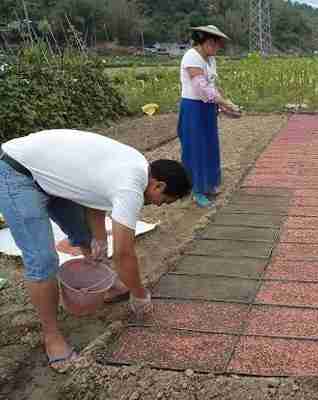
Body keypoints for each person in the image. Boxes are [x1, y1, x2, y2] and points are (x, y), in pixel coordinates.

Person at [0, 129, 191, 371]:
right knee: (43, 260)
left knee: (84, 235)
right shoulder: (131, 187)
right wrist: (139, 294)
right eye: (164, 200)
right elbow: (123, 254)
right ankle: (52, 336)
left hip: (47, 174)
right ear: (158, 184)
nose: (159, 205)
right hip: (17, 172)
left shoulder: (137, 166)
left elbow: (94, 194)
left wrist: (99, 238)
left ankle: (101, 281)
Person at [178, 25, 240, 208]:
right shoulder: (191, 57)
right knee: (195, 149)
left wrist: (224, 107)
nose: (216, 48)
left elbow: (211, 87)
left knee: (210, 146)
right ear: (204, 41)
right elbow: (201, 87)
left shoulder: (211, 59)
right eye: (214, 44)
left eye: (218, 45)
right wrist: (224, 102)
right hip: (192, 108)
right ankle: (196, 190)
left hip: (207, 108)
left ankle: (209, 184)